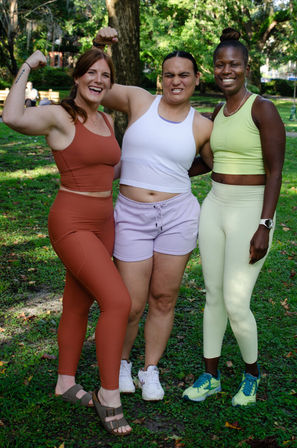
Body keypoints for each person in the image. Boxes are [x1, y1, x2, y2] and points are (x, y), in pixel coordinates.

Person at [3, 48, 132, 436]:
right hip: (72, 222)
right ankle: (109, 395)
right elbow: (11, 116)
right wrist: (28, 65)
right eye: (90, 73)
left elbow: (112, 168)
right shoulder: (61, 117)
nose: (98, 80)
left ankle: (65, 381)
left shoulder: (107, 120)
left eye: (105, 76)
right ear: (76, 78)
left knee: (78, 301)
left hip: (103, 221)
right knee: (118, 301)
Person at [93, 27, 213, 401]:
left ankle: (150, 370)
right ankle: (123, 363)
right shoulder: (139, 101)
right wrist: (99, 48)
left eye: (184, 74)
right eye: (169, 74)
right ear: (160, 78)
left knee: (164, 297)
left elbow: (215, 166)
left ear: (196, 78)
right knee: (130, 300)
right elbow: (92, 85)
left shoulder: (203, 125)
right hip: (132, 214)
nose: (176, 81)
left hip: (178, 214)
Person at [183, 28, 285, 406]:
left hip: (249, 210)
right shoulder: (216, 112)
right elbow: (206, 164)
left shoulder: (262, 108)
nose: (227, 70)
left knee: (236, 301)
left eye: (234, 64)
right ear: (213, 69)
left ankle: (250, 376)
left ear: (246, 68)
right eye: (220, 64)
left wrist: (265, 225)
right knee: (213, 295)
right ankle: (210, 376)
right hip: (215, 206)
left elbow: (275, 172)